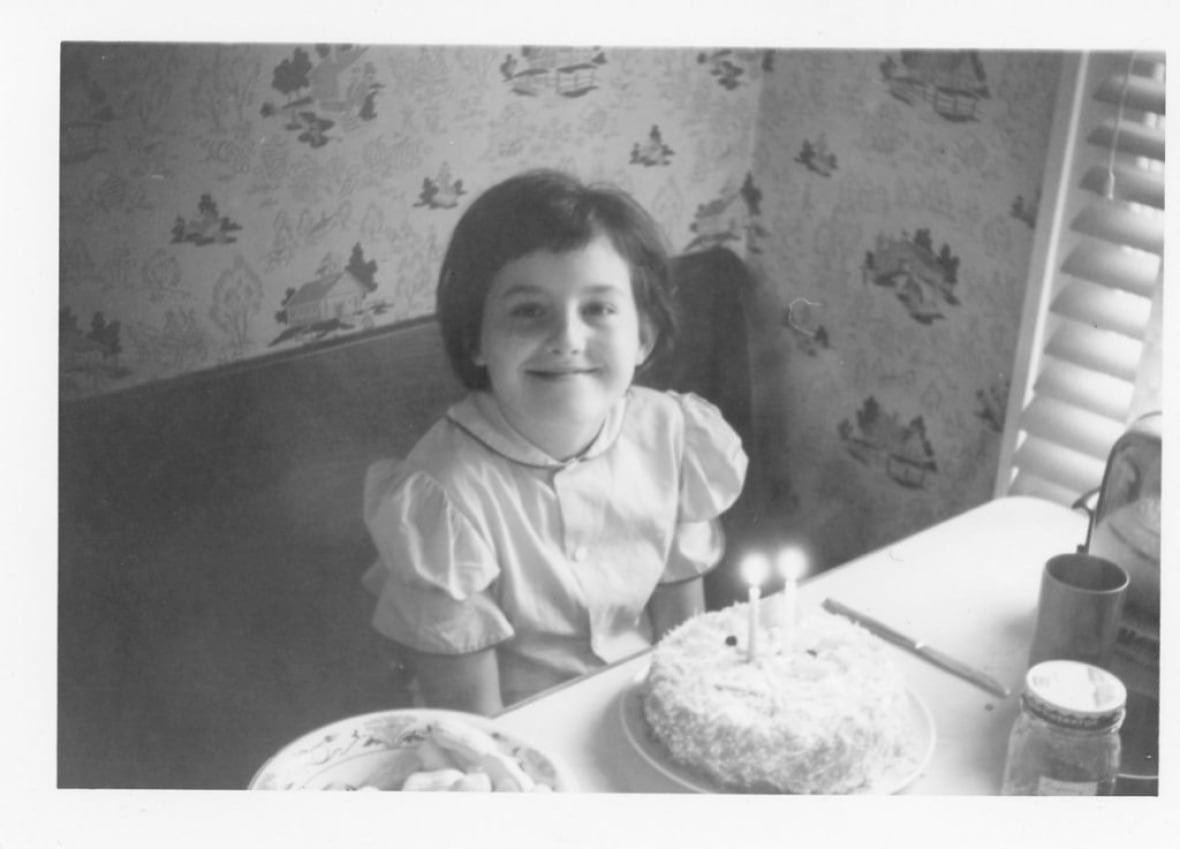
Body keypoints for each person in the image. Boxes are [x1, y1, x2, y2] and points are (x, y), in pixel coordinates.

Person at [363, 169, 748, 714]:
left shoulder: (674, 435)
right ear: (475, 339)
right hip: (515, 733)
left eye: (598, 309)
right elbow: (475, 721)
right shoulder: (443, 495)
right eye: (528, 311)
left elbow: (682, 630)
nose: (567, 338)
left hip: (639, 707)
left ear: (643, 337)